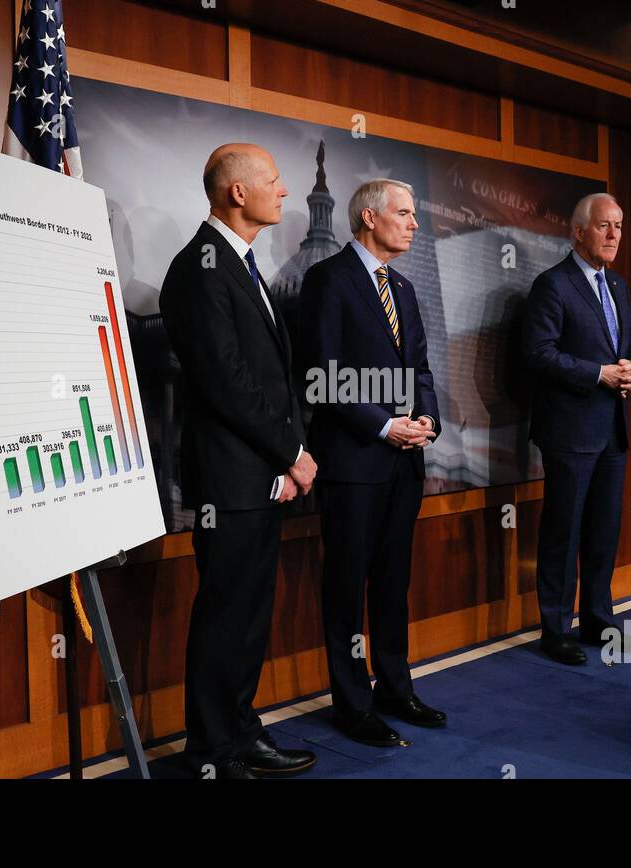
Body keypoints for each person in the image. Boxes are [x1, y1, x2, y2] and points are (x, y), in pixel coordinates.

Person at [158, 143, 319, 779]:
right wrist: (292, 453)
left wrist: (287, 461)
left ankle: (241, 734)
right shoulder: (200, 268)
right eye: (274, 182)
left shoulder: (242, 263)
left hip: (261, 479)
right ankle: (211, 754)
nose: (284, 192)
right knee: (225, 616)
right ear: (237, 193)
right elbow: (226, 384)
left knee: (250, 615)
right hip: (227, 483)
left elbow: (277, 378)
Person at [296, 178, 445, 747]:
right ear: (366, 217)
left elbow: (422, 370)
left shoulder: (403, 287)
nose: (413, 224)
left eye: (414, 214)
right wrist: (383, 425)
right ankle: (352, 705)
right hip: (353, 463)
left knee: (392, 582)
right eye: (404, 214)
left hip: (405, 464)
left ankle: (395, 688)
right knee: (345, 585)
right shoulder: (326, 279)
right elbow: (321, 375)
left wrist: (426, 420)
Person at [522, 193, 631, 666]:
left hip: (613, 427)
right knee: (563, 531)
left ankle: (599, 621)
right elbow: (539, 354)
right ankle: (556, 628)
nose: (613, 235)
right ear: (578, 231)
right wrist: (600, 374)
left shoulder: (619, 286)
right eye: (604, 226)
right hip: (570, 431)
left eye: (618, 226)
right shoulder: (553, 285)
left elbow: (626, 343)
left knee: (603, 531)